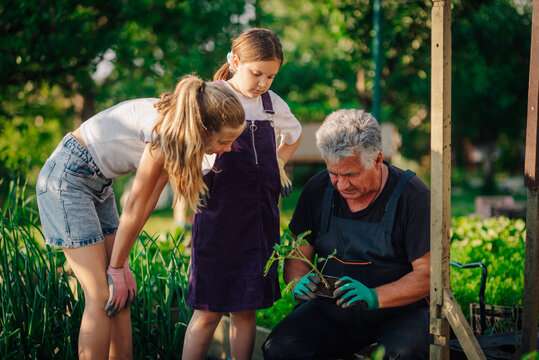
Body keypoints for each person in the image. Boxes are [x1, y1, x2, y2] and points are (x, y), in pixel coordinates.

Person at [35, 75, 245, 360]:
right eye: (225, 140)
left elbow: (146, 206)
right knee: (100, 297)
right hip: (67, 180)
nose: (229, 148)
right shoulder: (165, 132)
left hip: (97, 182)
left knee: (119, 296)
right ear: (203, 130)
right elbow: (134, 203)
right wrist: (116, 267)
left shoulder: (179, 134)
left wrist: (120, 267)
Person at [262, 109, 431, 360]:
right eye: (334, 174)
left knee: (400, 355)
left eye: (351, 175)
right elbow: (299, 253)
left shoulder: (412, 195)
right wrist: (298, 281)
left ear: (377, 160)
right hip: (333, 311)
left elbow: (428, 274)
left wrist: (375, 296)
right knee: (279, 348)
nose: (341, 185)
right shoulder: (317, 190)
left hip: (399, 312)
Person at [182, 28, 303, 360]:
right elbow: (189, 147)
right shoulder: (212, 97)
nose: (263, 82)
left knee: (246, 307)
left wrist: (277, 162)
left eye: (271, 76)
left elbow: (294, 133)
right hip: (218, 218)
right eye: (256, 73)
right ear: (234, 61)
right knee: (208, 309)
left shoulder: (271, 104)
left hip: (259, 219)